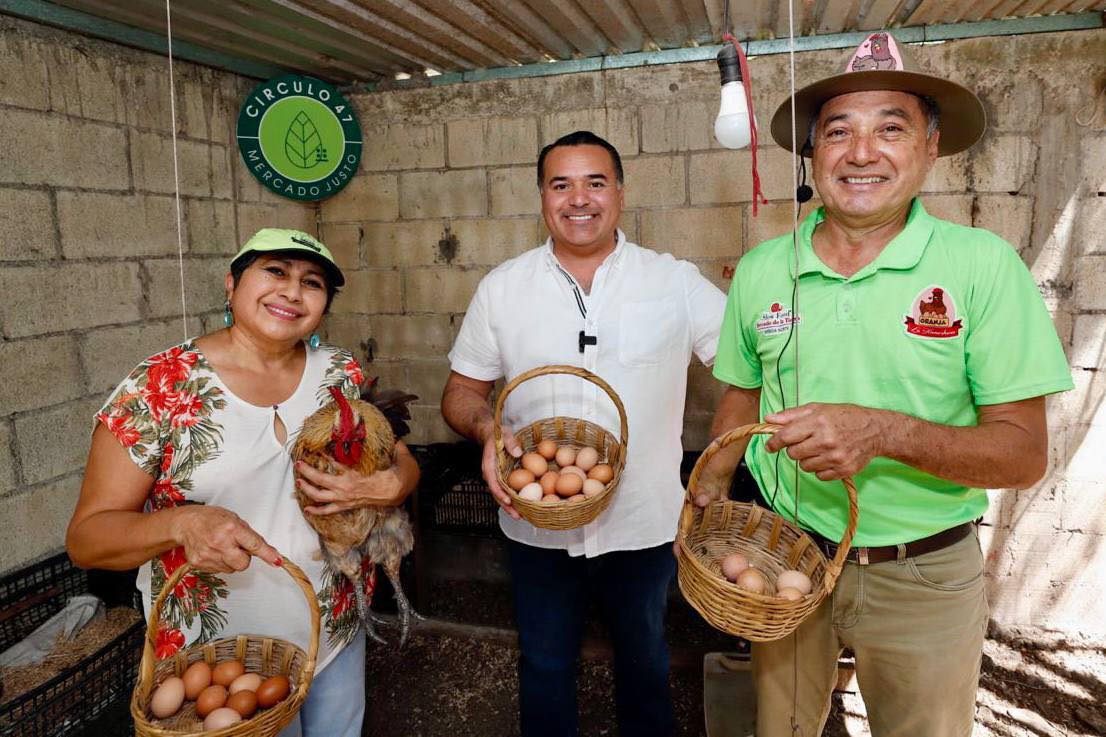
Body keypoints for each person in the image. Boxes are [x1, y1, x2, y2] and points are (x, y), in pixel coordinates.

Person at [705, 33, 1073, 737]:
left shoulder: (982, 267)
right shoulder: (763, 271)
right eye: (839, 131)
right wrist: (705, 490)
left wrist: (884, 432)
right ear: (814, 153)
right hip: (789, 556)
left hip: (924, 573)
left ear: (930, 147)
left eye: (891, 129)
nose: (862, 152)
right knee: (778, 727)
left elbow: (1023, 454)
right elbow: (742, 395)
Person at [67, 228, 419, 737]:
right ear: (231, 284)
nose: (293, 291)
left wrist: (395, 484)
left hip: (334, 623)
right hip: (217, 652)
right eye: (275, 271)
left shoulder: (339, 372)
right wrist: (183, 522)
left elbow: (399, 456)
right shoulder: (160, 386)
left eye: (312, 281)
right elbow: (86, 539)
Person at [440, 130, 726, 737]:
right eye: (560, 184)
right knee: (543, 662)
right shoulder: (503, 287)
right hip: (533, 518)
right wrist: (488, 428)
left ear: (620, 193)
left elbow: (747, 366)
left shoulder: (673, 282)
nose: (579, 199)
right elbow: (461, 393)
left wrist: (725, 460)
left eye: (595, 182)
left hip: (644, 522)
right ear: (541, 197)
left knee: (645, 661)